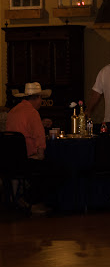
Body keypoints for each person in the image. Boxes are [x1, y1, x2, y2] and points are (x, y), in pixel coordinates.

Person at [6, 82, 53, 213]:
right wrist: (40, 154)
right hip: (26, 161)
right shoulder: (32, 113)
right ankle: (32, 201)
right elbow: (39, 138)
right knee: (56, 171)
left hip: (9, 160)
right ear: (37, 98)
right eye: (41, 98)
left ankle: (22, 198)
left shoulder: (13, 111)